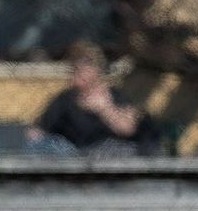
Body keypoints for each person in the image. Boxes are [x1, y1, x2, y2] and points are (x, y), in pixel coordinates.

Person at [24, 40, 159, 156]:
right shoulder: (65, 99)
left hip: (111, 153)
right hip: (75, 156)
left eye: (84, 66)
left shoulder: (115, 96)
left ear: (96, 70)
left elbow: (127, 128)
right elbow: (37, 132)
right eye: (74, 68)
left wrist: (104, 109)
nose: (77, 73)